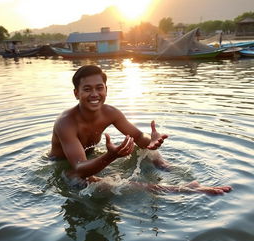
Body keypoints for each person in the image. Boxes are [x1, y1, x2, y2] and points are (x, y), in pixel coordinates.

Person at [49, 65, 232, 195]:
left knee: (146, 149)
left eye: (99, 88)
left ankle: (169, 169)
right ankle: (177, 189)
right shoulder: (66, 123)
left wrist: (150, 141)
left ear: (106, 89)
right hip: (64, 166)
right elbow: (79, 168)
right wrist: (110, 156)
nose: (95, 94)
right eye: (87, 89)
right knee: (98, 182)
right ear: (76, 93)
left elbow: (138, 136)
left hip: (89, 158)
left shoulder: (110, 112)